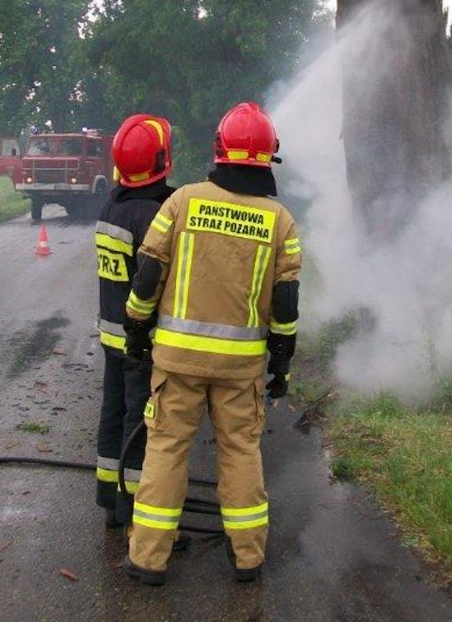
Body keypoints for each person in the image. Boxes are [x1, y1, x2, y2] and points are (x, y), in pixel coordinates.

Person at [123, 101, 301, 587]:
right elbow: (285, 307)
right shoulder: (280, 221)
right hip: (240, 371)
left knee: (166, 452)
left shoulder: (181, 203)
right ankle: (247, 558)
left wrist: (136, 331)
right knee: (241, 452)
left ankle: (149, 559)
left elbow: (148, 275)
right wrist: (281, 366)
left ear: (219, 149)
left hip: (177, 362)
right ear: (268, 156)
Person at [94, 113, 176, 532]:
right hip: (140, 340)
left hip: (112, 334)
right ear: (161, 160)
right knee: (140, 426)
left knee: (113, 413)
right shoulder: (152, 218)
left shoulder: (114, 206)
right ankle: (135, 513)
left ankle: (110, 500)